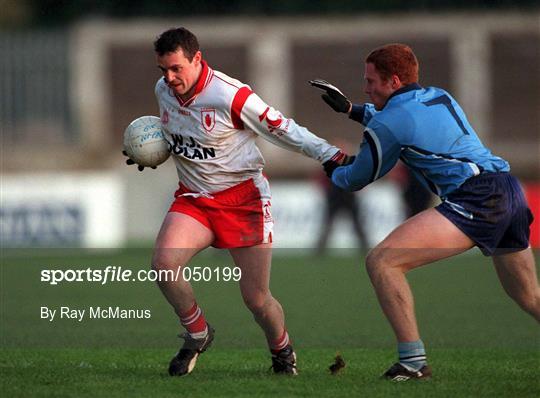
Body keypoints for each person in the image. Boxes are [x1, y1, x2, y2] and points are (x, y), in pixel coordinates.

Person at [123, 27, 350, 376]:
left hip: (243, 200)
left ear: (197, 59)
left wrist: (329, 154)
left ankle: (282, 350)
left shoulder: (231, 95)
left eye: (176, 69)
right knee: (164, 266)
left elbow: (283, 128)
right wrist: (150, 151)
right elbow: (177, 137)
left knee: (256, 299)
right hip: (195, 199)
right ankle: (197, 333)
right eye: (163, 71)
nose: (168, 78)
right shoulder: (164, 91)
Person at [310, 43, 539, 381]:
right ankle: (412, 362)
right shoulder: (439, 96)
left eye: (371, 81)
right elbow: (404, 120)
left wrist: (332, 168)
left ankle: (413, 362)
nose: (366, 88)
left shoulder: (387, 124)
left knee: (383, 261)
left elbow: (358, 178)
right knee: (528, 295)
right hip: (509, 190)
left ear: (394, 81)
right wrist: (351, 109)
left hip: (476, 199)